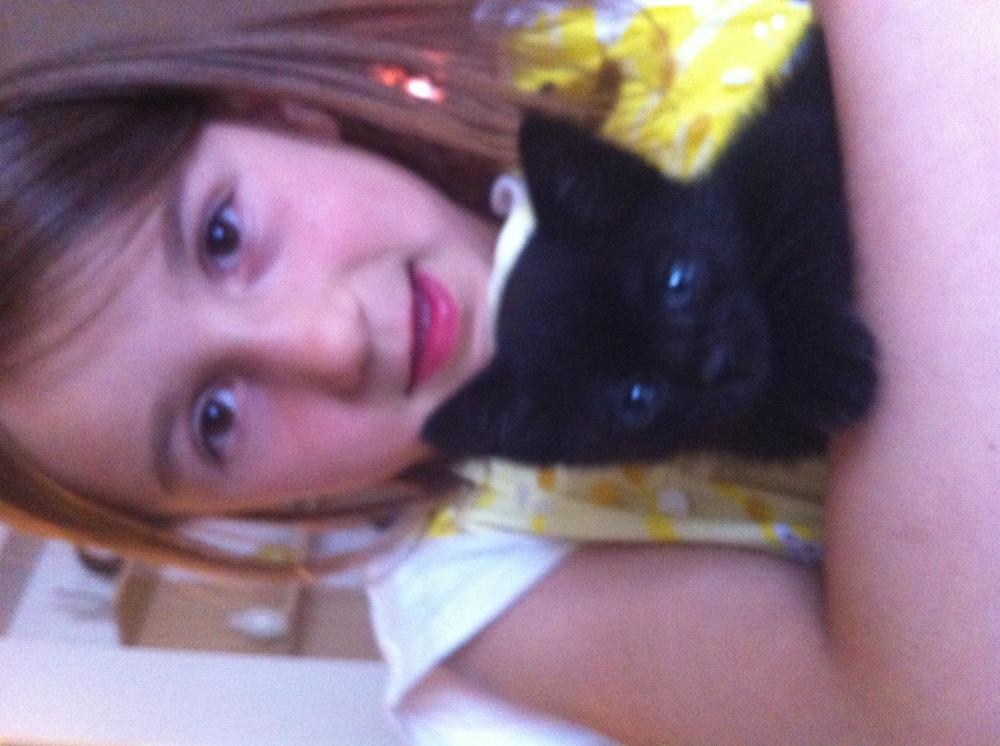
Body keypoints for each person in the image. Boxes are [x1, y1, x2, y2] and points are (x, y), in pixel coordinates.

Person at [1, 1, 999, 743]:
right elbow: (926, 713)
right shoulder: (472, 586)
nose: (331, 341)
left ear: (278, 115)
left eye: (223, 234)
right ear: (224, 510)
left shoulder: (560, 28)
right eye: (215, 418)